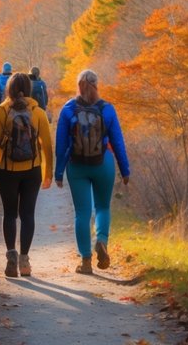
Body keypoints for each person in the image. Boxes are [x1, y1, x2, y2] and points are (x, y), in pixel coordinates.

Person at [54, 68, 131, 275]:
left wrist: (58, 172)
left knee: (82, 212)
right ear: (97, 85)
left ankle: (86, 260)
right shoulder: (107, 109)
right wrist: (125, 170)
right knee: (103, 207)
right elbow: (118, 143)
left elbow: (61, 144)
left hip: (76, 165)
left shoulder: (69, 109)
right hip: (103, 163)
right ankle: (102, 241)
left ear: (78, 86)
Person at [0, 72, 53, 278]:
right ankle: (24, 260)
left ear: (9, 89)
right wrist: (48, 172)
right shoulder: (38, 113)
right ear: (29, 89)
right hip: (32, 170)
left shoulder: (1, 112)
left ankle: (11, 257)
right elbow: (47, 145)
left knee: (10, 214)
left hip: (7, 170)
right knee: (28, 215)